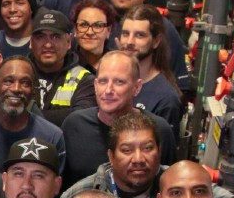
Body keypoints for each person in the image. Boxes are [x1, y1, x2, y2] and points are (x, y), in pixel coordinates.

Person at [59, 56, 174, 190]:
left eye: (119, 82)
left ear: (137, 87)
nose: (108, 90)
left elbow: (169, 184)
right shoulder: (74, 125)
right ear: (95, 86)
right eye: (103, 81)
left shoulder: (158, 129)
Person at [118, 3, 188, 129]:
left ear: (156, 41)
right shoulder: (110, 83)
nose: (129, 42)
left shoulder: (166, 99)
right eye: (125, 34)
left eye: (139, 35)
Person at [31, 11, 94, 124]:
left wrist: (28, 117)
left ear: (69, 41)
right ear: (31, 42)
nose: (48, 44)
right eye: (40, 37)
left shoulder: (84, 79)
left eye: (56, 37)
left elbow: (80, 119)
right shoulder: (17, 72)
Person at [70, 0, 115, 75]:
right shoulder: (65, 65)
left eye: (98, 25)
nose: (89, 32)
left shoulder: (118, 64)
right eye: (83, 25)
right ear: (75, 30)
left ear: (108, 30)